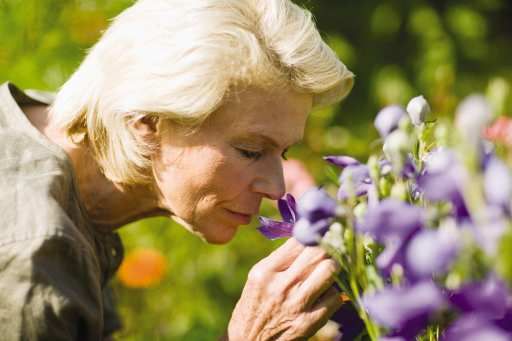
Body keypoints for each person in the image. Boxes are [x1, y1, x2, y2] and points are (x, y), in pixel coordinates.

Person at [0, 0, 354, 339]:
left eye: (284, 151)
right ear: (148, 121)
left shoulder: (45, 130)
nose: (277, 189)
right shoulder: (33, 254)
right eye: (250, 150)